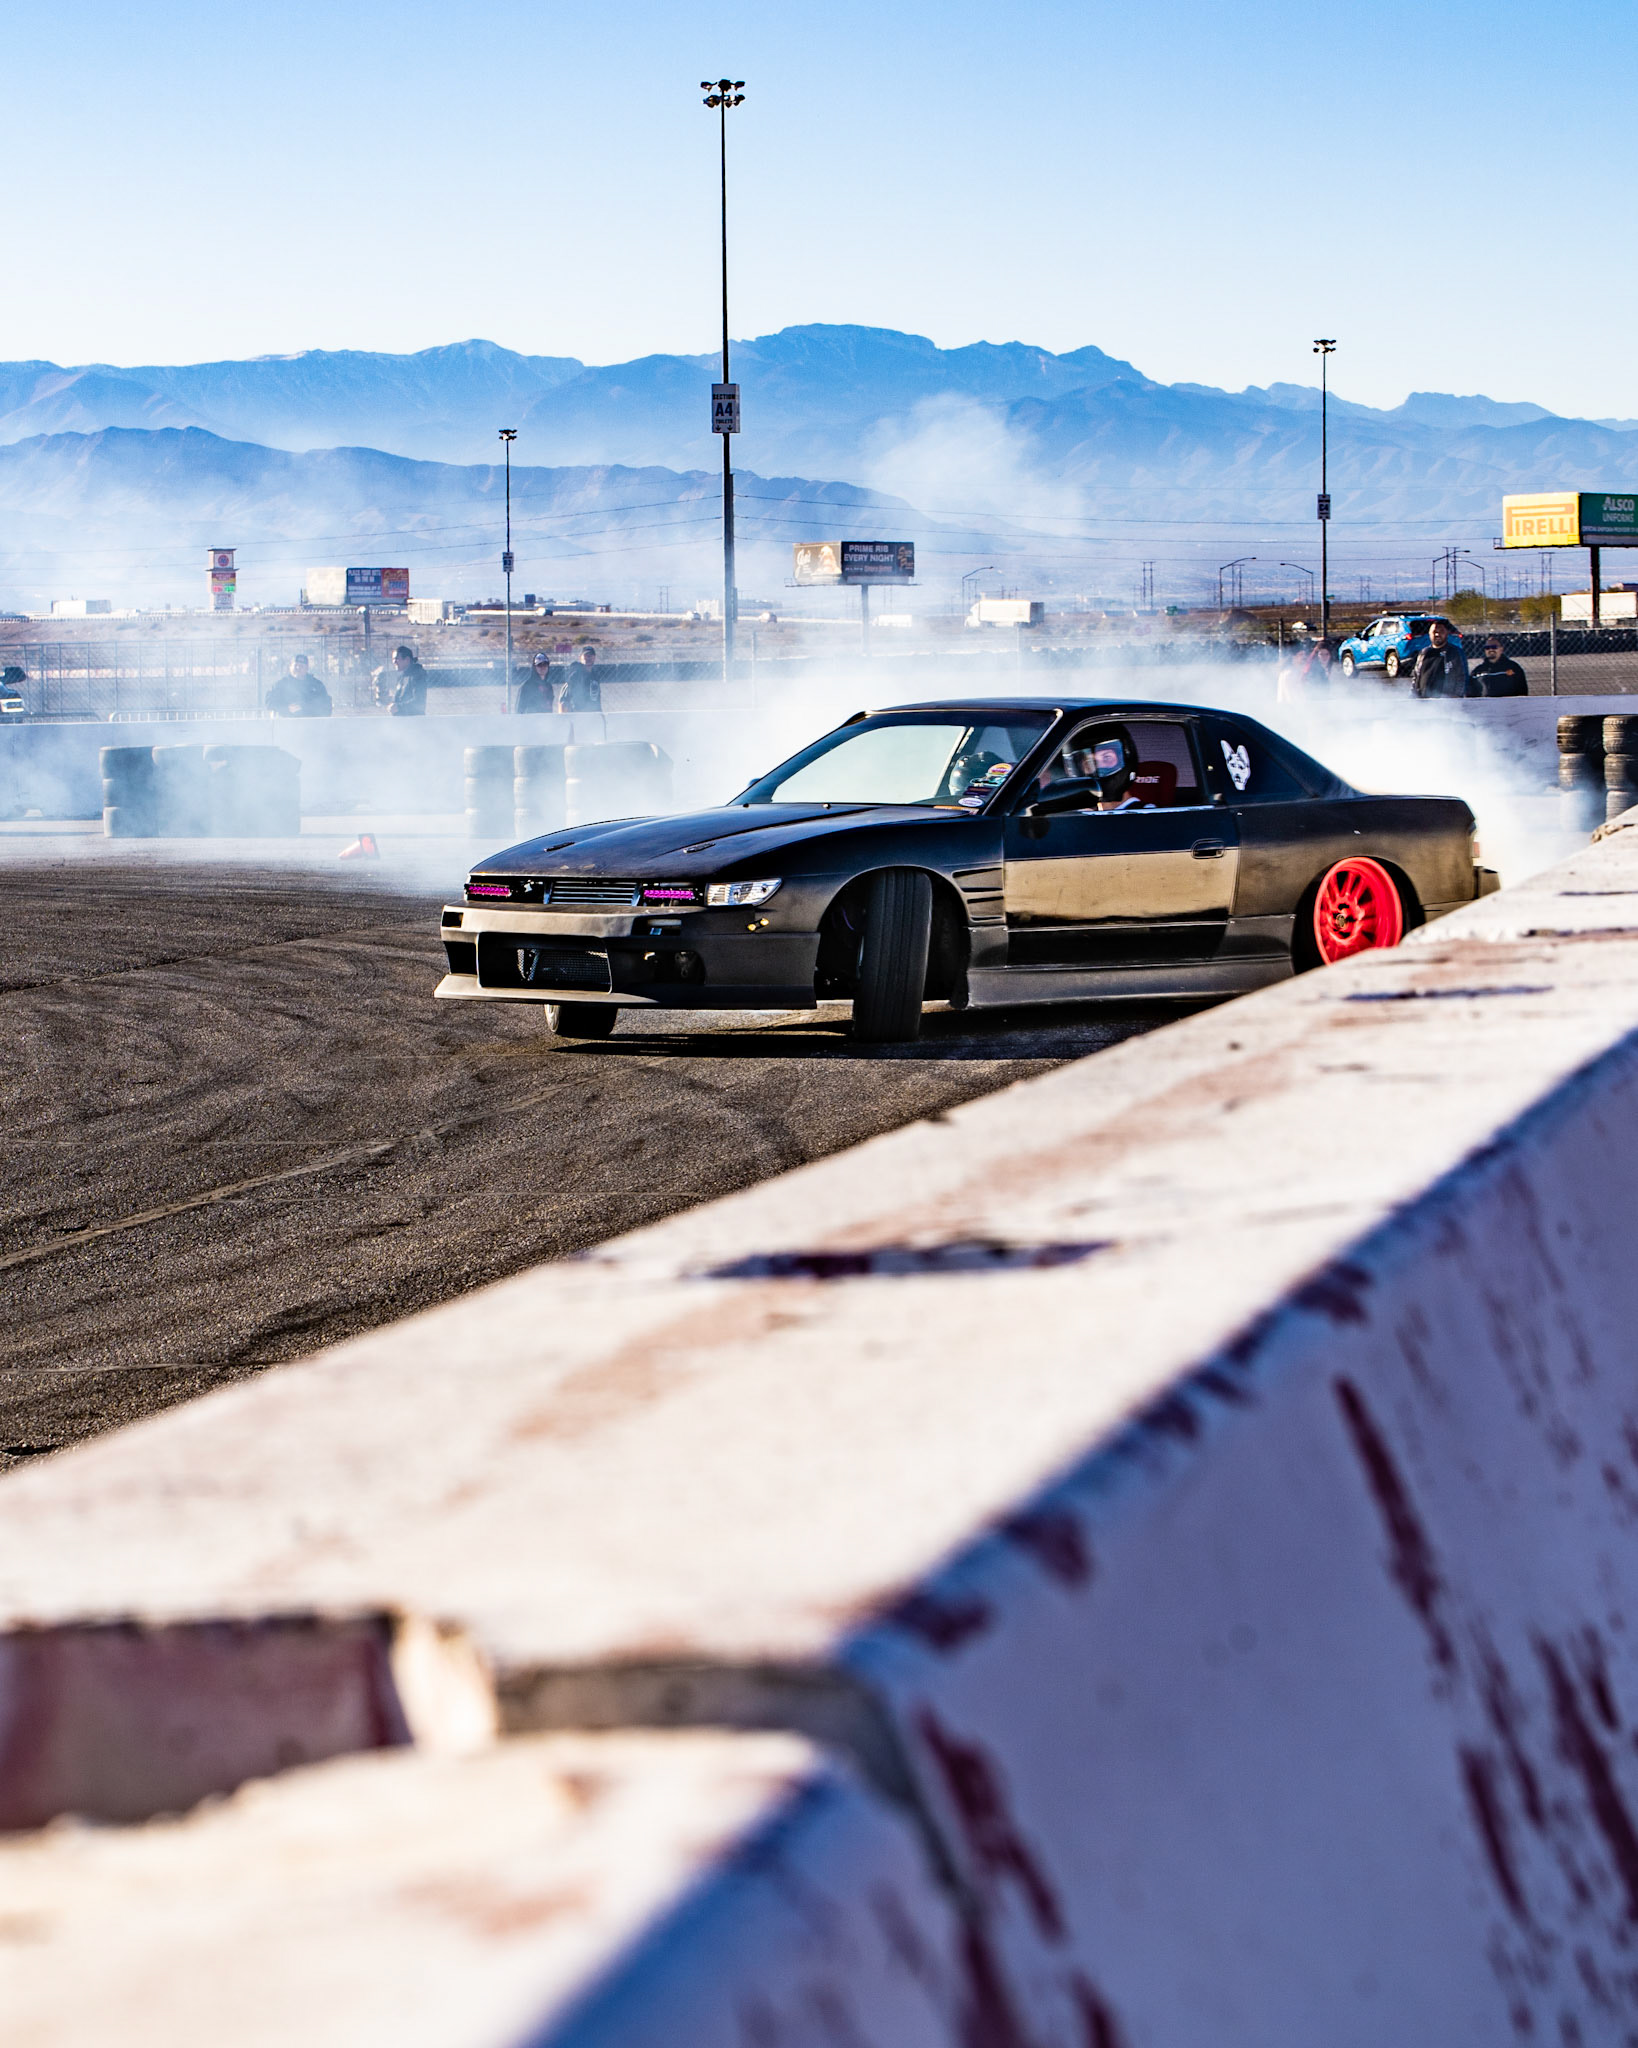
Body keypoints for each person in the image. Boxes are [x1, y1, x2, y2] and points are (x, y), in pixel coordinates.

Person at [1411, 618, 1472, 699]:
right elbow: (1416, 677)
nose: (1437, 634)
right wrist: (1413, 697)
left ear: (1447, 633)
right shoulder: (1424, 653)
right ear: (1429, 634)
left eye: (1441, 632)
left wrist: (1457, 696)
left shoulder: (1455, 652)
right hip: (1423, 700)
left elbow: (1462, 677)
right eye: (1434, 632)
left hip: (1445, 701)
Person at [266, 652, 332, 718]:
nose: (298, 668)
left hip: (311, 721)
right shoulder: (281, 685)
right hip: (287, 722)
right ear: (290, 667)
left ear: (307, 668)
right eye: (295, 665)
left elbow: (326, 707)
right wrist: (286, 708)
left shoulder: (316, 685)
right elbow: (269, 703)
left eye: (301, 666)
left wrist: (307, 707)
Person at [373, 643, 429, 716]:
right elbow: (401, 699)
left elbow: (419, 702)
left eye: (397, 659)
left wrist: (399, 707)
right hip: (402, 719)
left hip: (414, 720)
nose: (394, 662)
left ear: (407, 660)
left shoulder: (418, 675)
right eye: (393, 659)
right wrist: (387, 700)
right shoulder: (403, 676)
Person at [555, 644, 602, 713]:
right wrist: (563, 718)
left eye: (591, 655)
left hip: (594, 714)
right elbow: (563, 700)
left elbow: (597, 698)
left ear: (594, 658)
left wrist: (600, 714)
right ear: (580, 658)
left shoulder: (595, 676)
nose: (588, 658)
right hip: (577, 715)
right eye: (586, 655)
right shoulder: (574, 675)